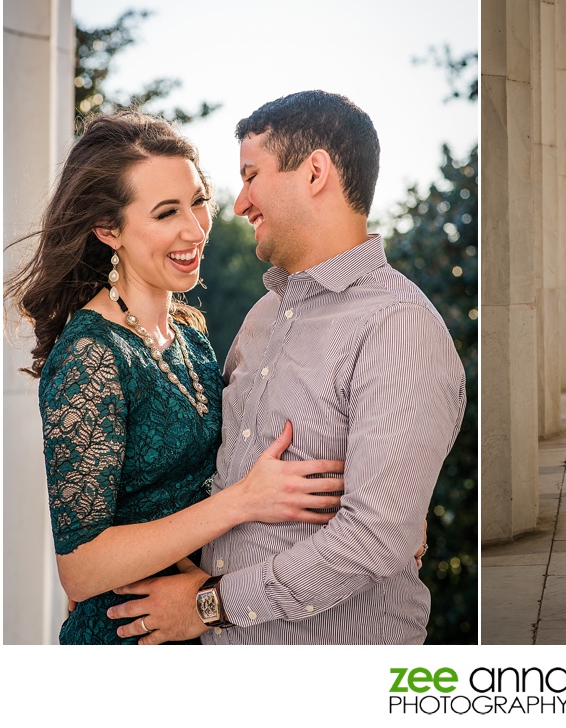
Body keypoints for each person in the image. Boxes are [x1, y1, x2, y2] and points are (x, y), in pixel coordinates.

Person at [106, 90, 467, 645]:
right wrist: (113, 562)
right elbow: (208, 466)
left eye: (252, 176)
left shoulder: (397, 326)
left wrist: (210, 605)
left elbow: (376, 537)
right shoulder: (264, 316)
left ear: (315, 172)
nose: (239, 204)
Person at [5, 112, 345, 645]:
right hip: (125, 641)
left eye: (198, 201)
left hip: (199, 623)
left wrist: (385, 511)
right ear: (108, 230)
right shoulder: (91, 355)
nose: (194, 229)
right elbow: (81, 568)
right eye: (166, 213)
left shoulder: (188, 333)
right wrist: (241, 502)